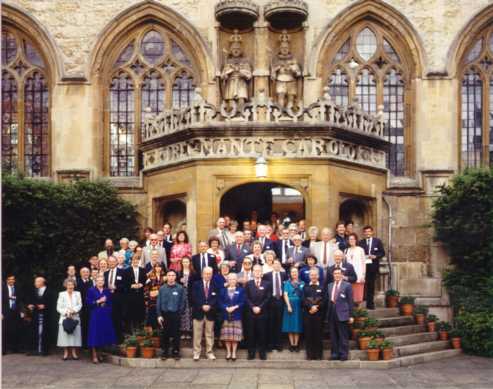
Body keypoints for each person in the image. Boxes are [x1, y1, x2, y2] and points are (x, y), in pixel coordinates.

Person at [86, 275, 116, 364]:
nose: (100, 282)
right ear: (96, 281)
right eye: (98, 281)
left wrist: (106, 306)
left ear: (104, 282)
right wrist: (98, 302)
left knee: (102, 334)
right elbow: (88, 302)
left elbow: (111, 303)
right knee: (95, 334)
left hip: (105, 314)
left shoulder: (107, 291)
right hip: (95, 314)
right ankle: (94, 355)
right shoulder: (91, 290)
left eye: (102, 281)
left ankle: (100, 354)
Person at [157, 270, 185, 360]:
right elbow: (158, 302)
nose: (171, 277)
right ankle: (165, 352)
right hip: (164, 314)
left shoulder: (180, 288)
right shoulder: (162, 288)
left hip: (175, 314)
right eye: (169, 275)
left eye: (173, 275)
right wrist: (159, 315)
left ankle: (175, 352)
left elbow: (183, 302)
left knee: (176, 334)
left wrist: (179, 313)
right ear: (166, 277)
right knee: (165, 333)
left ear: (175, 277)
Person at [244, 265, 271, 360]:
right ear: (252, 272)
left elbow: (268, 298)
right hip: (251, 313)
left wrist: (260, 307)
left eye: (259, 271)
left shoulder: (267, 284)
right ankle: (251, 352)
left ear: (262, 273)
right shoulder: (248, 284)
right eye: (255, 271)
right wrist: (252, 307)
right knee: (251, 333)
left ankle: (262, 352)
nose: (257, 272)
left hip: (262, 313)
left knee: (262, 333)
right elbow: (246, 297)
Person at [190, 267, 217, 360]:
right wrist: (202, 306)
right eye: (206, 273)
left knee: (209, 334)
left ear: (212, 274)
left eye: (209, 273)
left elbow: (216, 298)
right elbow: (193, 297)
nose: (207, 275)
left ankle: (209, 352)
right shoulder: (196, 284)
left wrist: (210, 306)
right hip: (198, 312)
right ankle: (196, 352)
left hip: (210, 312)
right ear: (202, 274)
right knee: (197, 334)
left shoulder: (215, 285)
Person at [327, 268, 354, 361]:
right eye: (335, 274)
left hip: (342, 314)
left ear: (342, 275)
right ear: (333, 275)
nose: (337, 275)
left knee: (343, 335)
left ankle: (343, 354)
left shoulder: (347, 285)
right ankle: (334, 354)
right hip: (331, 313)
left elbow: (350, 301)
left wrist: (351, 315)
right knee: (333, 335)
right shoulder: (329, 285)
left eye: (338, 273)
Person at [263, 259, 287, 352]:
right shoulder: (267, 275)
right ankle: (270, 344)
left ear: (280, 266)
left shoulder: (284, 275)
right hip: (270, 301)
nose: (276, 266)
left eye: (278, 264)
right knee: (270, 323)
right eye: (275, 264)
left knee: (279, 323)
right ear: (272, 265)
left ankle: (278, 344)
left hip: (280, 301)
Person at [219, 273, 245, 361]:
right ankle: (228, 352)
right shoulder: (223, 290)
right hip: (226, 315)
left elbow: (243, 301)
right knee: (227, 336)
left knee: (235, 336)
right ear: (227, 280)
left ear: (236, 280)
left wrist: (235, 307)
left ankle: (233, 352)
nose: (232, 281)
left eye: (234, 279)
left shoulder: (241, 290)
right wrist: (226, 308)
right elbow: (220, 302)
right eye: (230, 279)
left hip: (236, 315)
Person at [359, 225, 385, 310]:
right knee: (363, 285)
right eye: (366, 232)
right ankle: (362, 303)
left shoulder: (377, 241)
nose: (367, 233)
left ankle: (370, 304)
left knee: (371, 285)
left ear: (372, 232)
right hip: (363, 267)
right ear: (364, 233)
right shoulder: (360, 242)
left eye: (369, 231)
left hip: (373, 266)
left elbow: (382, 253)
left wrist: (375, 256)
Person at [27, 276, 54, 356]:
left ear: (42, 282)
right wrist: (30, 305)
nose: (35, 283)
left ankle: (44, 350)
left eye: (36, 282)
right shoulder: (34, 291)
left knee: (44, 332)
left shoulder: (49, 291)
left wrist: (45, 306)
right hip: (35, 314)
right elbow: (30, 300)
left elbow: (52, 302)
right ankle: (35, 350)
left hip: (46, 315)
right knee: (35, 331)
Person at [302, 269, 326, 360]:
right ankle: (310, 355)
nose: (313, 276)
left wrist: (317, 307)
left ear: (318, 276)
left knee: (318, 335)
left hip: (319, 315)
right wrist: (311, 307)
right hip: (308, 314)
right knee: (309, 335)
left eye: (315, 275)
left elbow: (325, 300)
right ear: (309, 276)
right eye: (312, 275)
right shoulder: (305, 287)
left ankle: (319, 355)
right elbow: (303, 299)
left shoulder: (323, 287)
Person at [56, 278, 82, 360]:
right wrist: (66, 312)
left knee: (74, 336)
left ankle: (74, 353)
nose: (70, 286)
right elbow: (58, 307)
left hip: (75, 317)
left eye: (72, 284)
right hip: (65, 317)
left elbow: (80, 305)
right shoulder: (61, 294)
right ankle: (66, 353)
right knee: (65, 337)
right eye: (68, 284)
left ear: (74, 285)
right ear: (66, 285)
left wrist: (73, 311)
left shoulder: (78, 293)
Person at [103, 256, 126, 344]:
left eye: (113, 262)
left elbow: (125, 286)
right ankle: (109, 340)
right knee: (109, 320)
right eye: (110, 262)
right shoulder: (105, 273)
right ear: (108, 263)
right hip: (108, 300)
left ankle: (119, 341)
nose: (111, 263)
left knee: (118, 320)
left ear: (116, 262)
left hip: (119, 300)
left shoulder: (122, 272)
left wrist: (116, 287)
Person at [282, 267, 304, 352]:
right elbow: (285, 295)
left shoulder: (302, 283)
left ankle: (296, 344)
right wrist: (288, 306)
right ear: (290, 274)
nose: (294, 273)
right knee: (290, 325)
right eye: (292, 272)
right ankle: (292, 344)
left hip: (299, 305)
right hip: (289, 304)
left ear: (298, 273)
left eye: (295, 272)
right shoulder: (287, 283)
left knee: (297, 325)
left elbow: (303, 295)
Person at [2, 274, 24, 354]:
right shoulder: (2, 288)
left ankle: (15, 349)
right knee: (4, 331)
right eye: (10, 279)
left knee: (16, 330)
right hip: (5, 311)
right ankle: (3, 350)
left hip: (15, 311)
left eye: (13, 279)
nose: (12, 281)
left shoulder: (17, 287)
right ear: (6, 280)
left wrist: (22, 311)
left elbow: (20, 300)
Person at [125, 255, 146, 332]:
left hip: (140, 294)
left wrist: (142, 284)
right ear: (131, 261)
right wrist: (131, 285)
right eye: (134, 260)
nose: (135, 261)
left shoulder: (143, 270)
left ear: (139, 261)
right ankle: (132, 329)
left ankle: (140, 329)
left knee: (140, 311)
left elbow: (145, 280)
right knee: (131, 311)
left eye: (137, 260)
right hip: (131, 294)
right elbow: (124, 282)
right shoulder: (127, 270)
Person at [345, 233, 366, 306]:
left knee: (358, 297)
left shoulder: (360, 250)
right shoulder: (346, 250)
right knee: (350, 297)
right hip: (350, 276)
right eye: (350, 239)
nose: (351, 240)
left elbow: (363, 263)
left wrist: (363, 275)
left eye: (353, 239)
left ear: (356, 240)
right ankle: (351, 314)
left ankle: (359, 315)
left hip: (359, 276)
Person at [144, 263, 166, 328]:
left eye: (159, 267)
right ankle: (154, 331)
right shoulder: (150, 276)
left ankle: (161, 329)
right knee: (153, 314)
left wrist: (158, 291)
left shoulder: (165, 276)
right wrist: (147, 297)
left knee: (162, 314)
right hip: (152, 299)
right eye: (156, 267)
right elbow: (146, 289)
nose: (158, 268)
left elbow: (166, 287)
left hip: (162, 299)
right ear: (154, 268)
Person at [212, 263, 230, 341]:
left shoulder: (231, 276)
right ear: (220, 269)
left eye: (226, 268)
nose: (225, 269)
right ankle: (218, 339)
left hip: (230, 303)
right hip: (219, 303)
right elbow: (214, 288)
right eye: (223, 268)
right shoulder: (216, 277)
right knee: (219, 322)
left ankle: (227, 339)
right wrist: (224, 285)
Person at [177, 256, 195, 338]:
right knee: (182, 313)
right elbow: (176, 284)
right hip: (181, 295)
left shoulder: (193, 273)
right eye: (183, 262)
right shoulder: (179, 273)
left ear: (189, 263)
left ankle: (188, 332)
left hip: (190, 295)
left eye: (187, 262)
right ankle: (182, 332)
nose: (185, 263)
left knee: (189, 313)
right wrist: (180, 282)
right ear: (181, 263)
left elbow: (195, 285)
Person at [77, 267, 92, 348]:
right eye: (84, 272)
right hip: (81, 307)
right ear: (80, 273)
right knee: (82, 325)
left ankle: (89, 343)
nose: (86, 273)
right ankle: (82, 344)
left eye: (87, 272)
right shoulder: (77, 283)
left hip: (90, 307)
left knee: (89, 325)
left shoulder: (92, 282)